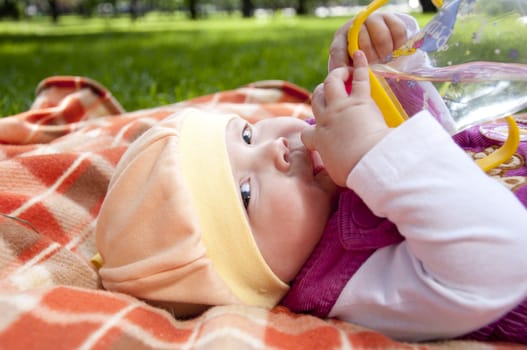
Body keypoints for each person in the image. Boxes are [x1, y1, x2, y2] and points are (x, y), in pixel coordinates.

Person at [94, 12, 527, 344]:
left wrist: (386, 68)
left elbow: (439, 141)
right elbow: (504, 258)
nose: (272, 148)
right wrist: (375, 153)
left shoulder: (326, 187)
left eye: (245, 134)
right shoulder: (352, 284)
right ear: (257, 277)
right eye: (245, 192)